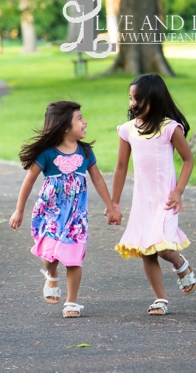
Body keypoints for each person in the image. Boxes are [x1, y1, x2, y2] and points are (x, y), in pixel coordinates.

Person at [9, 101, 122, 318]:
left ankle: (72, 301)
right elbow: (29, 181)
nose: (85, 121)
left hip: (76, 217)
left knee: (73, 257)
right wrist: (19, 210)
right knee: (50, 256)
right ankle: (51, 274)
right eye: (79, 118)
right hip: (51, 214)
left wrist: (111, 207)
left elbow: (97, 179)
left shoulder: (86, 152)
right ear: (64, 127)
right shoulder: (47, 154)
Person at [111, 74, 196, 316]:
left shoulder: (170, 128)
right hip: (142, 201)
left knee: (161, 247)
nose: (132, 103)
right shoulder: (128, 130)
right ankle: (160, 299)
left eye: (138, 98)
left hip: (166, 199)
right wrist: (114, 202)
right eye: (130, 98)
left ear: (155, 99)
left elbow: (188, 160)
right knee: (146, 250)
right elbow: (120, 166)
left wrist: (178, 191)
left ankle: (180, 263)